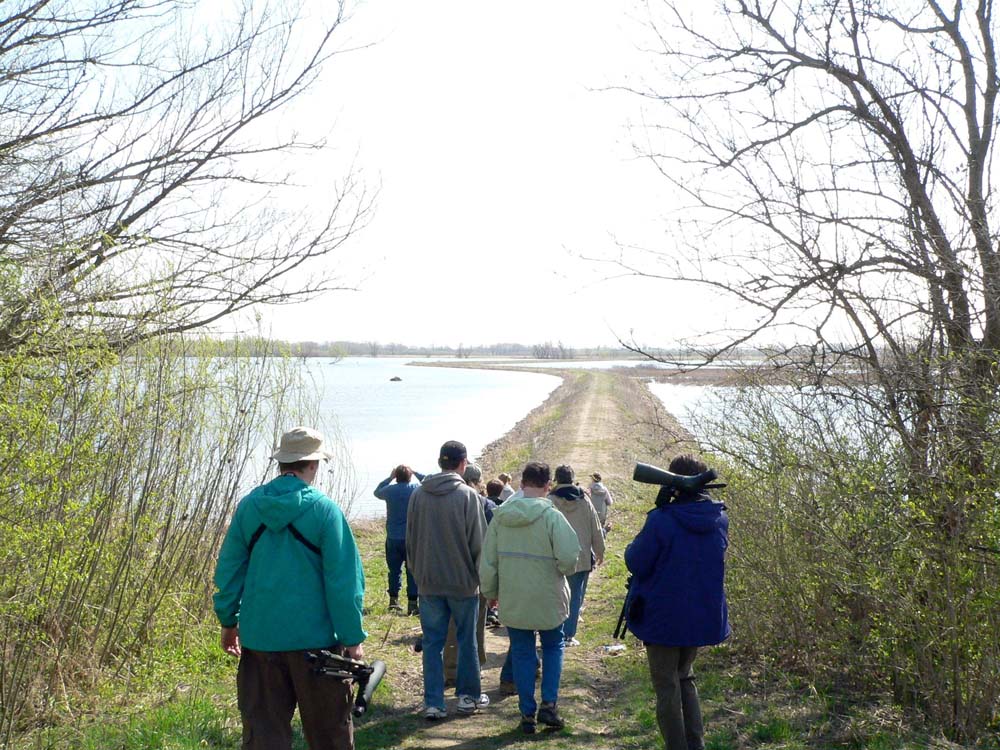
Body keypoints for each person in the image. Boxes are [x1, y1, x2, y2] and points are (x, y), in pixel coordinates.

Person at [213, 426, 366, 750]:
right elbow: (343, 584)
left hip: (260, 643)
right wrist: (352, 639)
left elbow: (228, 571)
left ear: (282, 464)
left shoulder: (248, 508)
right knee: (330, 737)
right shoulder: (325, 511)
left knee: (264, 737)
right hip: (318, 649)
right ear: (313, 464)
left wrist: (229, 621)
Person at [624, 454, 730, 750]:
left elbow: (636, 562)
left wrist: (659, 511)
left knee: (667, 685)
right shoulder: (719, 518)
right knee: (685, 677)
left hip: (662, 617)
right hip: (700, 615)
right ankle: (695, 745)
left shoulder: (662, 520)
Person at [480, 461, 580, 734]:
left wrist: (490, 593)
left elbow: (488, 561)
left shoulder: (501, 516)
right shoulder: (552, 517)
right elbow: (570, 557)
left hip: (513, 596)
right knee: (552, 646)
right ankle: (549, 704)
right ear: (548, 486)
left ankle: (527, 713)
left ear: (522, 484)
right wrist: (563, 570)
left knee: (523, 652)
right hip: (548, 594)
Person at [406, 440, 489, 719]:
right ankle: (467, 696)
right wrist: (484, 582)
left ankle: (433, 702)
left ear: (440, 462)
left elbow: (411, 540)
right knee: (467, 640)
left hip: (428, 581)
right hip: (463, 583)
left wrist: (418, 574)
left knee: (432, 643)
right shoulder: (468, 496)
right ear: (463, 463)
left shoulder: (418, 495)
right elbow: (479, 543)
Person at [549, 464, 605, 647]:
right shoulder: (584, 500)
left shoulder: (549, 500)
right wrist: (599, 551)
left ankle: (553, 632)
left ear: (556, 479)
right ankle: (569, 635)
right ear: (573, 478)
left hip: (553, 556)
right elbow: (596, 527)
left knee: (554, 595)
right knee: (575, 596)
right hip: (580, 557)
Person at [373, 464, 425, 615]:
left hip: (393, 537)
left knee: (394, 570)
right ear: (410, 476)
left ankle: (393, 601)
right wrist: (416, 472)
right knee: (412, 571)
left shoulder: (389, 490)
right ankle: (412, 604)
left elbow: (377, 492)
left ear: (396, 476)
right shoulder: (416, 489)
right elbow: (429, 481)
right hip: (411, 538)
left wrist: (389, 478)